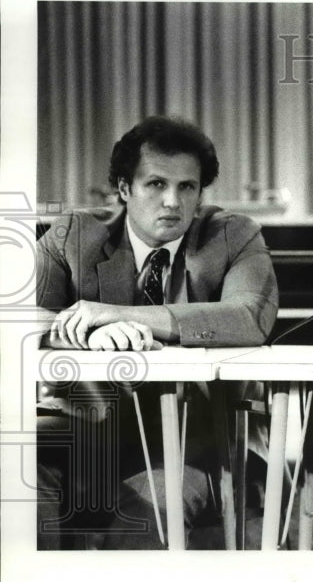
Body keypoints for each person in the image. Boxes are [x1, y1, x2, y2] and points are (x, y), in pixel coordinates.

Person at [36, 115, 279, 549]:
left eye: (188, 187)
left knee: (147, 516)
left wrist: (113, 314)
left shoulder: (232, 236)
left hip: (191, 450)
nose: (173, 201)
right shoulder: (72, 236)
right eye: (156, 185)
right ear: (124, 189)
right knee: (18, 488)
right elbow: (21, 323)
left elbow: (250, 317)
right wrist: (87, 335)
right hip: (85, 440)